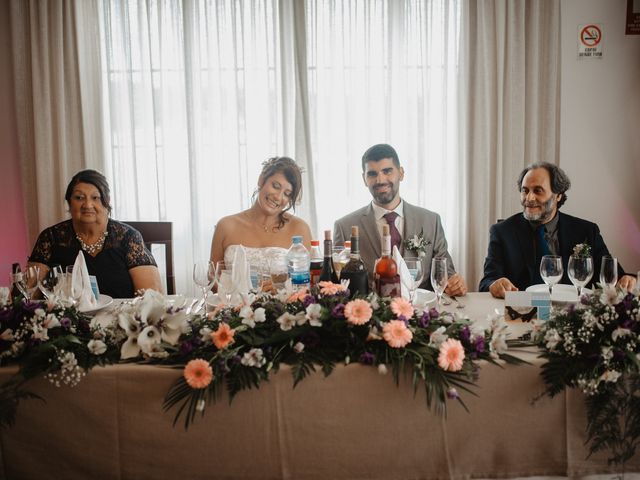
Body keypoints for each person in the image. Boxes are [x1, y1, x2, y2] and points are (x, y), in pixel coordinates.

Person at [479, 162, 637, 298]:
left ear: (558, 196)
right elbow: (487, 282)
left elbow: (613, 277)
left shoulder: (586, 231)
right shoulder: (502, 231)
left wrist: (627, 280)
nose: (529, 198)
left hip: (572, 316)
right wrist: (495, 284)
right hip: (520, 316)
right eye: (524, 190)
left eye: (538, 190)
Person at [333, 144, 467, 295]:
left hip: (423, 313)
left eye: (387, 171)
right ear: (364, 179)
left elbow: (446, 275)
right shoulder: (344, 227)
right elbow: (336, 285)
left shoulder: (431, 221)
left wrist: (456, 284)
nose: (380, 180)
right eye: (372, 174)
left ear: (401, 173)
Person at [29, 169, 163, 298]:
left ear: (107, 200)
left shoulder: (129, 237)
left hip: (119, 317)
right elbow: (30, 293)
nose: (87, 205)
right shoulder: (50, 238)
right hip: (68, 319)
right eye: (79, 197)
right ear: (69, 202)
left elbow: (151, 296)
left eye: (95, 197)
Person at [209, 157, 313, 271]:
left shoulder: (300, 228)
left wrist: (279, 284)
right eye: (275, 186)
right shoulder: (225, 226)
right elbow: (212, 276)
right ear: (261, 180)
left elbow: (307, 280)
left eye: (287, 194)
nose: (278, 197)